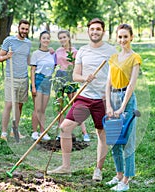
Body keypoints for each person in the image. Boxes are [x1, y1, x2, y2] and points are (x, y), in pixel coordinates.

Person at [47, 18, 116, 182]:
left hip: (103, 99)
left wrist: (111, 94)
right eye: (92, 29)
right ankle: (66, 167)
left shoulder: (111, 51)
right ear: (88, 31)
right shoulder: (83, 51)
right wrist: (86, 78)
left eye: (98, 29)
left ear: (103, 32)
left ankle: (98, 170)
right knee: (65, 128)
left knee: (102, 134)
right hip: (85, 97)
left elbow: (117, 75)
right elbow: (76, 76)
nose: (95, 32)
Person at [105, 23, 142, 192]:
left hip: (126, 99)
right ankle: (119, 174)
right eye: (120, 37)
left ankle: (126, 180)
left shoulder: (135, 58)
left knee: (127, 141)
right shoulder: (113, 58)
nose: (122, 40)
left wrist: (122, 108)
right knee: (114, 141)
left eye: (125, 36)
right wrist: (109, 105)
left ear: (131, 37)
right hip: (113, 97)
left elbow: (132, 85)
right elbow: (108, 84)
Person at [0, 19, 31, 141]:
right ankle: (4, 133)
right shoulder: (9, 40)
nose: (24, 31)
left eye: (26, 29)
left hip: (24, 78)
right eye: (22, 28)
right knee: (9, 105)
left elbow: (28, 60)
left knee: (19, 106)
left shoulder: (28, 43)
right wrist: (7, 56)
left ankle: (14, 131)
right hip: (11, 78)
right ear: (18, 28)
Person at [55, 30, 90, 142]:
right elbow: (55, 64)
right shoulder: (57, 51)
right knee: (59, 106)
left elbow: (78, 67)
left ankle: (85, 132)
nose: (62, 40)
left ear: (69, 38)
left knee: (75, 106)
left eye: (64, 37)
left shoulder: (75, 52)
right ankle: (62, 132)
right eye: (60, 38)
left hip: (70, 78)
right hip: (59, 77)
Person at [30, 31, 56, 141]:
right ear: (40, 40)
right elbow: (32, 70)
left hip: (48, 81)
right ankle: (35, 132)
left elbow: (54, 66)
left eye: (48, 38)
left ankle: (43, 132)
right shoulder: (36, 54)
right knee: (37, 108)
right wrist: (33, 86)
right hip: (38, 80)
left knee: (43, 110)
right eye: (44, 38)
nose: (46, 40)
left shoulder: (52, 54)